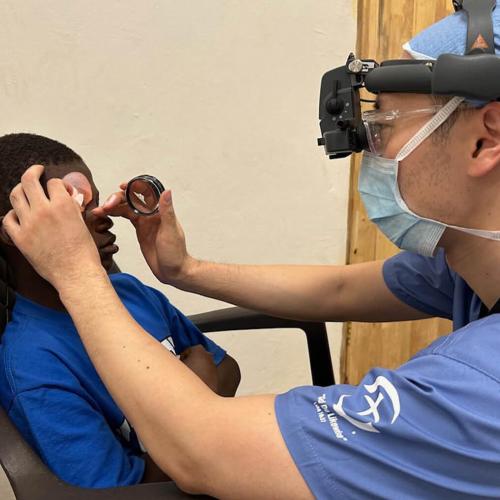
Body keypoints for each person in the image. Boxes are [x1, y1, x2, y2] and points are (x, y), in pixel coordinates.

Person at [5, 5, 500, 498]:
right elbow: (338, 288)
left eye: (385, 125)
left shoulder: (479, 388)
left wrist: (75, 271)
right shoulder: (470, 266)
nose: (368, 149)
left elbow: (208, 449)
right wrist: (184, 269)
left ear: (486, 138)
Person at [0, 133, 240, 488]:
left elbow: (228, 368)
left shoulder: (128, 292)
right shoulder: (34, 364)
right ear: (16, 231)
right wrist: (199, 394)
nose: (103, 217)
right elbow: (124, 492)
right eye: (72, 208)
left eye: (94, 201)